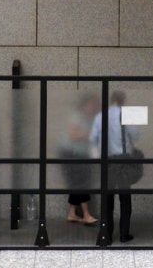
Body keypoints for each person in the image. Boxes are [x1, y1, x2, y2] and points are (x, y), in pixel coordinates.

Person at [90, 90, 139, 243]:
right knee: (125, 199)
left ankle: (107, 235)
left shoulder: (100, 116)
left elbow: (93, 138)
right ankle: (124, 233)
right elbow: (136, 136)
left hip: (107, 161)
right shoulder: (126, 115)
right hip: (123, 161)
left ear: (111, 100)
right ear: (123, 102)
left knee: (107, 199)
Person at [59, 92, 99, 225]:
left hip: (80, 154)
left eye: (94, 104)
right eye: (91, 104)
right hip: (71, 154)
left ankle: (72, 213)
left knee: (76, 183)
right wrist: (90, 135)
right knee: (82, 183)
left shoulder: (90, 118)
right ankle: (86, 215)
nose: (93, 107)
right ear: (84, 105)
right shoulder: (78, 116)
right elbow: (72, 134)